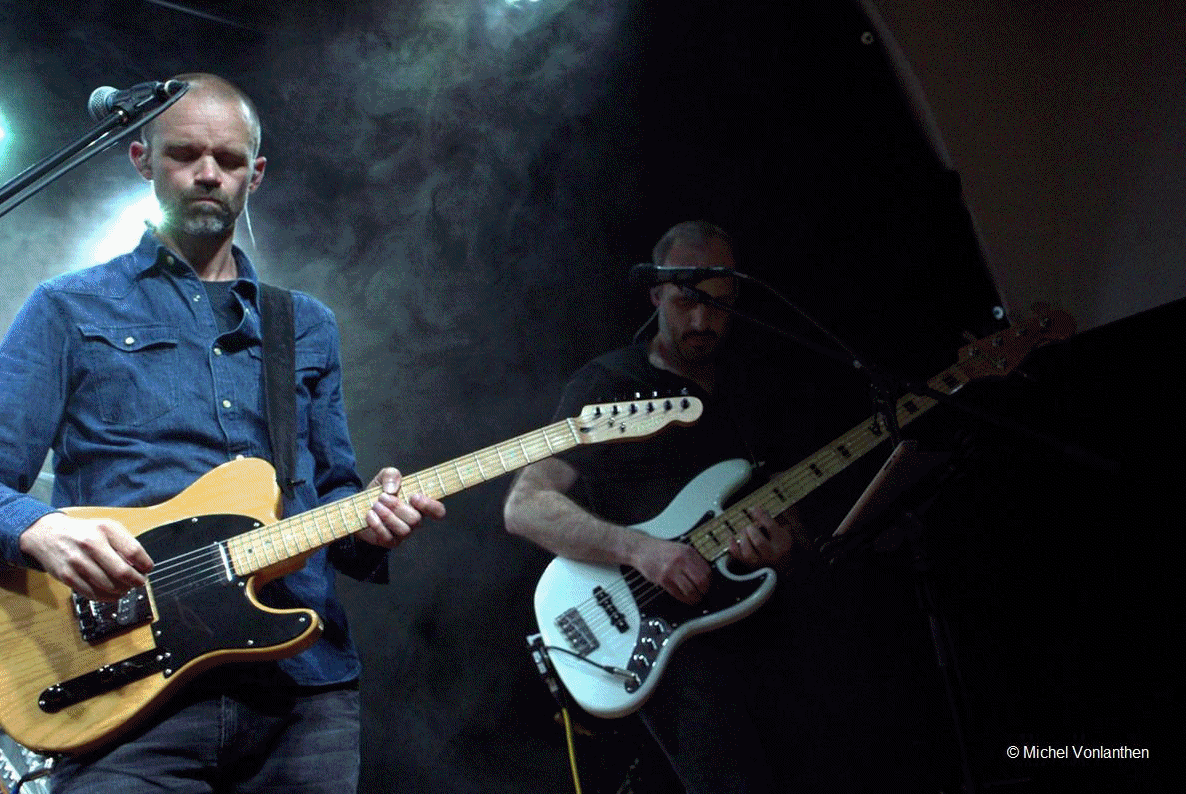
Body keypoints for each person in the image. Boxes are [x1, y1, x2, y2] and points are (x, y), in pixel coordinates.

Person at [0, 73, 444, 793]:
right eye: (185, 155)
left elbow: (331, 494)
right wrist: (39, 530)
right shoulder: (66, 308)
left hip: (301, 691)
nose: (208, 173)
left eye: (230, 160)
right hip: (122, 689)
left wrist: (374, 519)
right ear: (142, 159)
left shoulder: (304, 324)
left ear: (255, 174)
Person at [503, 220, 849, 793]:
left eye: (720, 305)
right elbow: (526, 505)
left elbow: (797, 511)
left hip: (775, 638)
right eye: (687, 302)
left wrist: (787, 550)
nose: (702, 322)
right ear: (656, 294)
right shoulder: (608, 385)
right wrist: (641, 551)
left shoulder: (754, 389)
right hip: (672, 655)